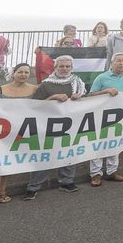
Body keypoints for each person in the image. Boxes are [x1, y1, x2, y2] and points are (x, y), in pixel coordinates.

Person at [24, 56, 86, 200]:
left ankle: (67, 181)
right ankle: (33, 186)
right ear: (55, 67)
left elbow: (86, 102)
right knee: (44, 155)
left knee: (68, 153)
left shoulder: (78, 83)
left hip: (70, 126)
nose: (64, 69)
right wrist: (53, 98)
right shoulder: (46, 85)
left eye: (67, 66)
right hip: (47, 126)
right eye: (61, 66)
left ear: (72, 68)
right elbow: (35, 106)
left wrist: (80, 98)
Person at [0, 62, 37, 204]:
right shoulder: (0, 90)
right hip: (0, 133)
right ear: (13, 73)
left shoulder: (35, 90)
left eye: (26, 72)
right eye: (20, 72)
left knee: (8, 162)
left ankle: (2, 190)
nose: (23, 75)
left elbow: (44, 106)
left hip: (20, 132)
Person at [86, 54, 123, 185]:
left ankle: (111, 171)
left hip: (120, 116)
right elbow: (90, 95)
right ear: (112, 63)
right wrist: (106, 91)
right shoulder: (101, 77)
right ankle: (96, 174)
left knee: (115, 143)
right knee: (98, 143)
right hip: (101, 116)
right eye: (118, 61)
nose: (121, 63)